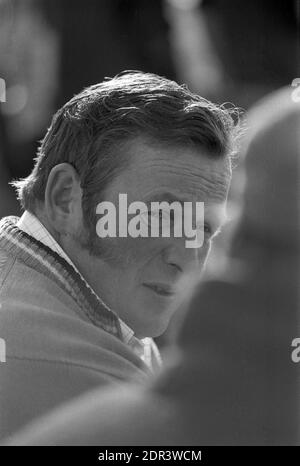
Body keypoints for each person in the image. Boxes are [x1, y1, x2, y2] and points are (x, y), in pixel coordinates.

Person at [7, 87, 298, 446]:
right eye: (161, 217)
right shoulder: (70, 373)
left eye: (205, 229)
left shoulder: (53, 292)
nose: (189, 259)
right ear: (66, 198)